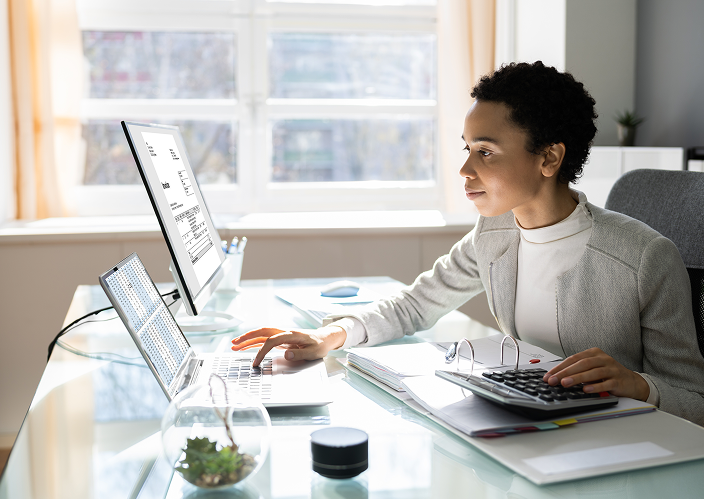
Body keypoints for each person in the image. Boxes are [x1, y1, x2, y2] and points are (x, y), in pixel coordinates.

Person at [232, 61, 704, 425]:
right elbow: (415, 305)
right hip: (527, 425)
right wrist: (328, 335)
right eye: (467, 148)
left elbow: (695, 400)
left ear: (549, 157)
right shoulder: (494, 234)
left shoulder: (644, 257)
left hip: (616, 446)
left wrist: (640, 386)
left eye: (486, 151)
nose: (465, 170)